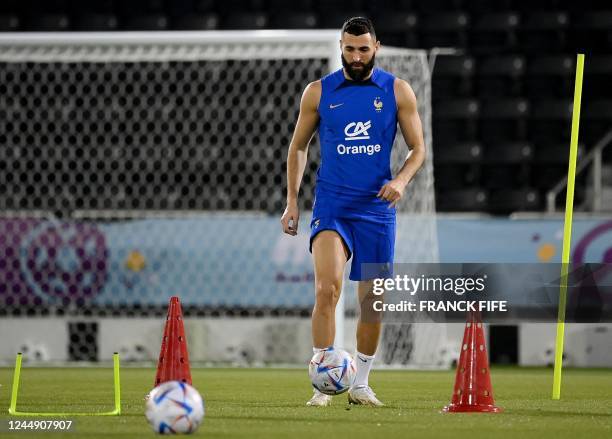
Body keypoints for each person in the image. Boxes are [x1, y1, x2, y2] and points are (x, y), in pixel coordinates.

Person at [281, 16, 426, 407]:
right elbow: (297, 146)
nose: (356, 56)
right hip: (332, 205)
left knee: (372, 301)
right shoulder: (319, 92)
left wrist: (401, 181)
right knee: (327, 290)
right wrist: (292, 201)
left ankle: (360, 384)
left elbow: (418, 150)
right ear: (341, 47)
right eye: (349, 49)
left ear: (376, 47)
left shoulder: (398, 90)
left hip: (376, 209)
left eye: (363, 49)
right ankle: (322, 384)